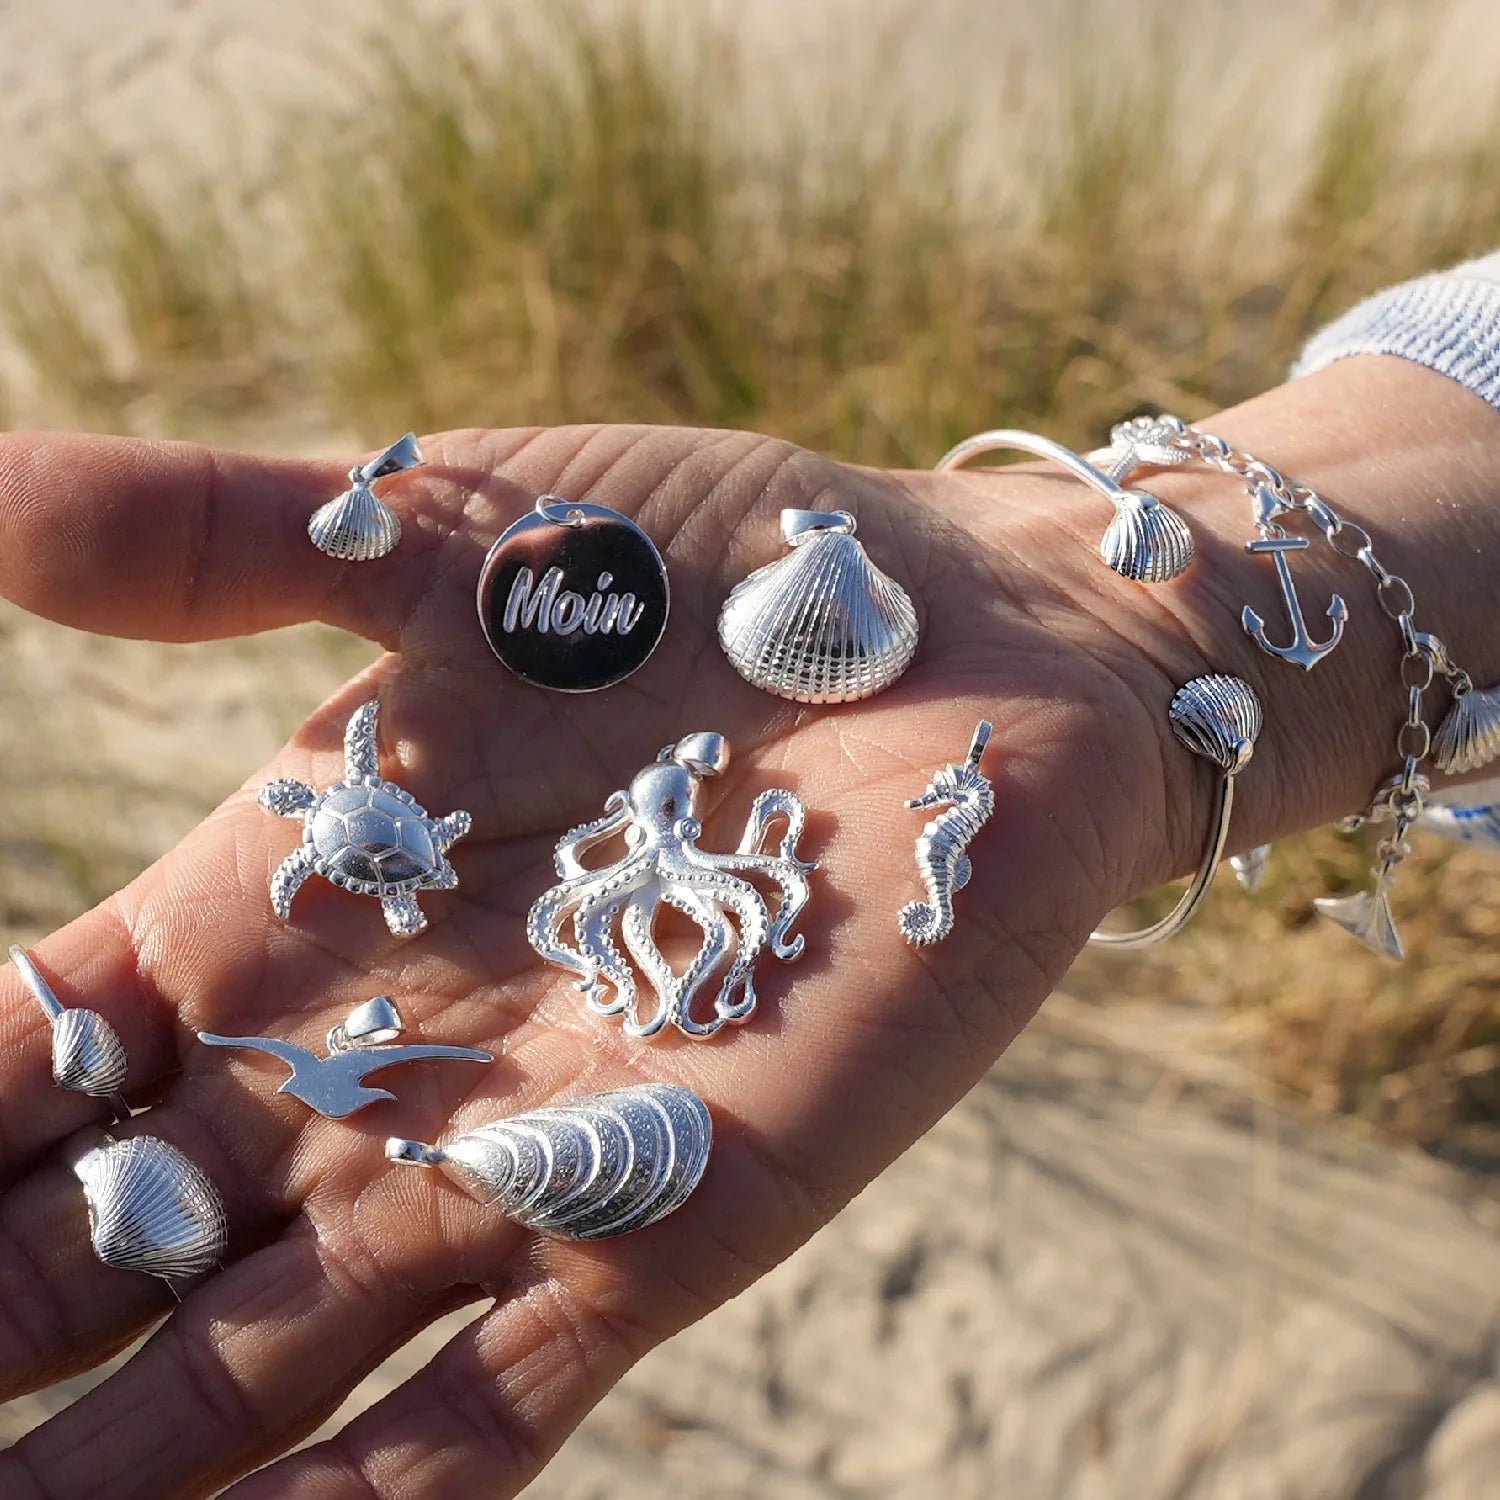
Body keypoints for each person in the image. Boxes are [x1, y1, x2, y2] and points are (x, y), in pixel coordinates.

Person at [0, 258, 1496, 1498]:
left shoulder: (722, 821)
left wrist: (1121, 624)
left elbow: (695, 883)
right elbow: (650, 874)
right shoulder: (652, 834)